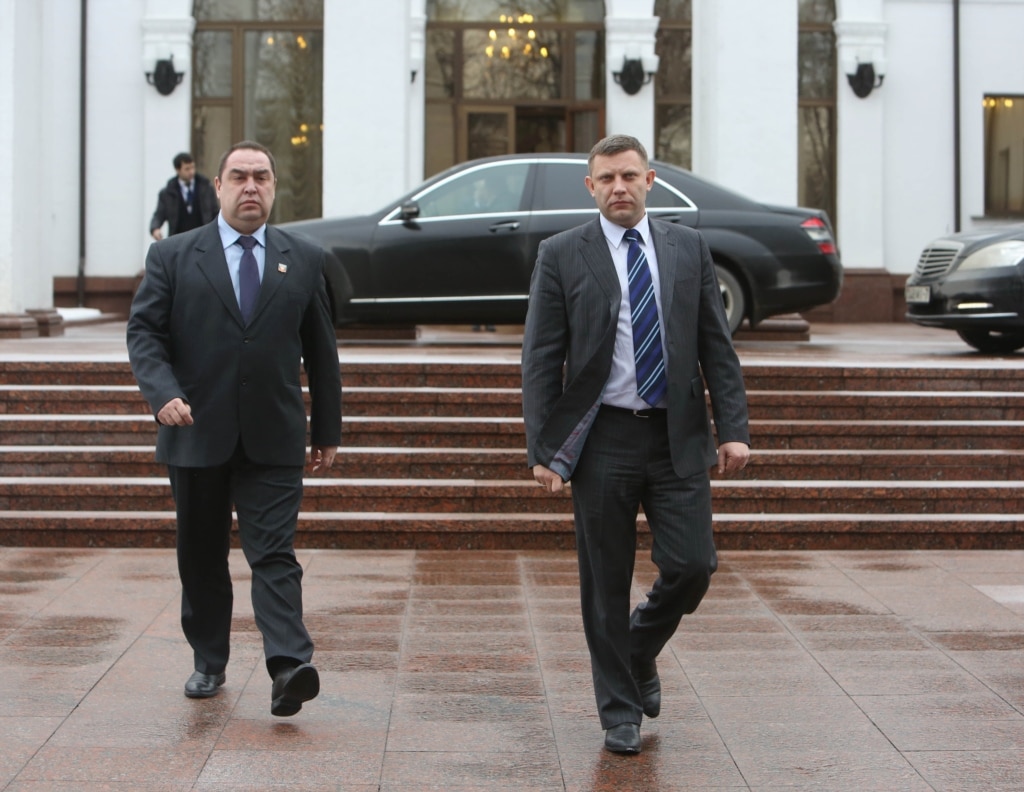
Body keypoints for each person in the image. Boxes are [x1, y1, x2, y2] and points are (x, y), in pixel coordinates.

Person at [520, 134, 750, 754]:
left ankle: (638, 647)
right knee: (605, 580)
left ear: (650, 180)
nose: (618, 187)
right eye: (606, 179)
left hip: (677, 435)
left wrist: (732, 428)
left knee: (693, 565)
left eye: (629, 175)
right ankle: (618, 710)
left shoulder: (688, 248)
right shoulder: (562, 254)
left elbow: (715, 346)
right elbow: (541, 358)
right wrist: (544, 449)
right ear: (590, 188)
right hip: (602, 439)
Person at [127, 140, 342, 717]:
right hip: (195, 432)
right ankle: (209, 658)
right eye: (240, 177)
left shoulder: (306, 258)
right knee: (200, 554)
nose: (252, 186)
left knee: (274, 552)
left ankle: (288, 665)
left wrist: (327, 429)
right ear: (217, 187)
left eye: (262, 177)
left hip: (273, 434)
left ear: (274, 188)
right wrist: (162, 393)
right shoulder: (173, 256)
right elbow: (144, 334)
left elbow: (322, 352)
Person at [149, 152, 219, 240]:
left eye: (193, 167)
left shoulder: (206, 188)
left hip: (203, 238)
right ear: (177, 170)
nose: (191, 172)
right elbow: (159, 214)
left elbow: (215, 212)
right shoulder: (167, 193)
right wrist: (155, 228)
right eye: (187, 169)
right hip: (178, 240)